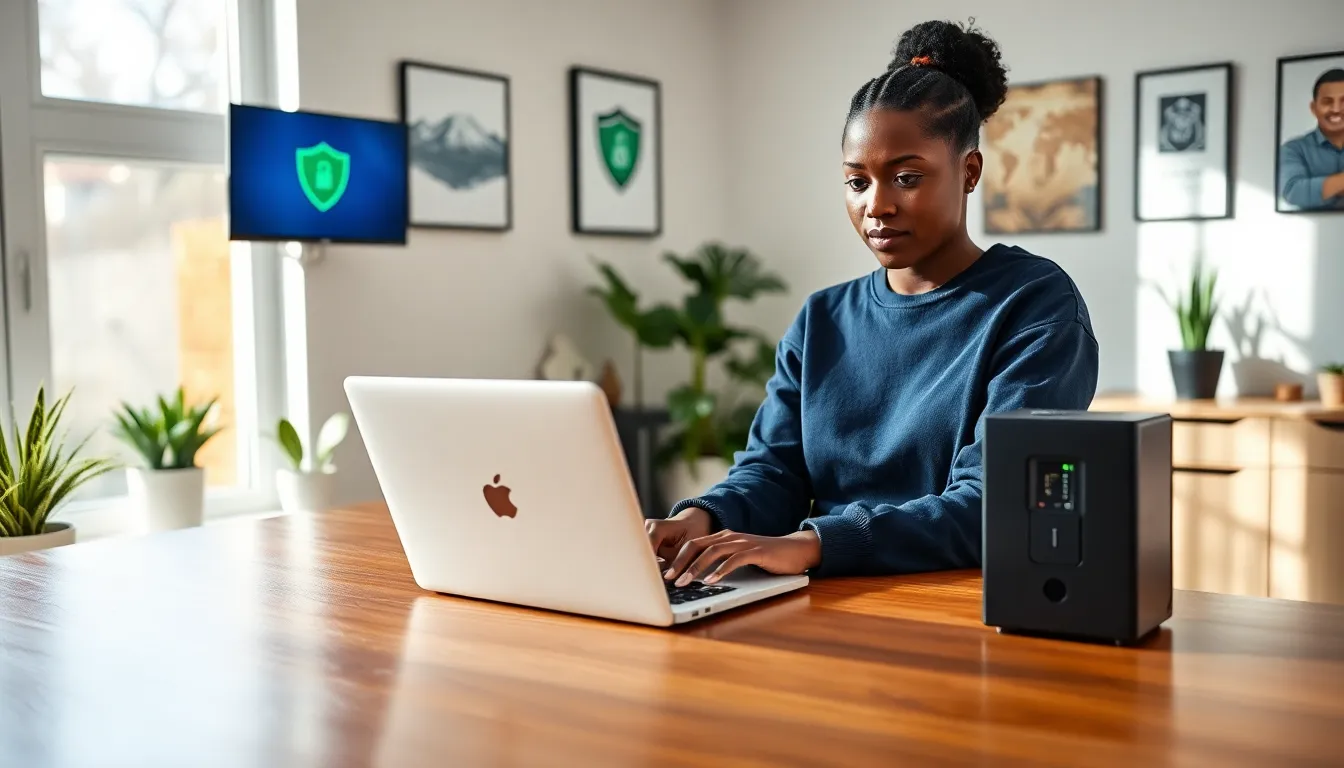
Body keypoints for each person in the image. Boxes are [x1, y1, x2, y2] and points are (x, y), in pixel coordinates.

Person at [647, 20, 1099, 585]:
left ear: (970, 172)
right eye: (857, 182)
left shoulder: (1034, 303)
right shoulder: (822, 320)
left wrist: (813, 544)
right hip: (826, 599)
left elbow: (996, 502)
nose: (877, 205)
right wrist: (700, 517)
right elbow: (774, 471)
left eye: (906, 178)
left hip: (956, 608)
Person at [1279, 68, 1344, 210]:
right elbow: (1293, 192)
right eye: (1327, 102)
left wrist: (1322, 188)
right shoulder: (1293, 149)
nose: (1336, 109)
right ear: (1314, 108)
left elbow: (1303, 191)